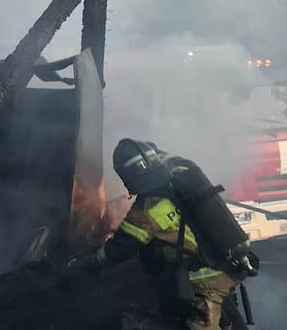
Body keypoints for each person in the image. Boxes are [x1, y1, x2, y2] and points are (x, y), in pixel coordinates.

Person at [88, 139, 242, 329]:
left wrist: (93, 262)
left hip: (203, 279)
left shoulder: (147, 208)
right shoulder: (180, 177)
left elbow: (120, 248)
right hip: (227, 260)